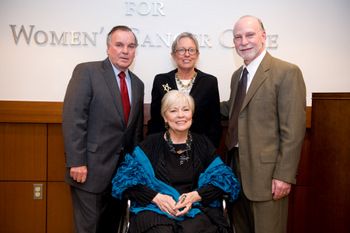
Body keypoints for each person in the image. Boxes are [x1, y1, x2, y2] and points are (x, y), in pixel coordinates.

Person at [221, 15, 306, 233]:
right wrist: (192, 101)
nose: (244, 42)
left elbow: (293, 131)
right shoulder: (236, 76)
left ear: (264, 36)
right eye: (238, 37)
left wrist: (284, 176)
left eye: (250, 35)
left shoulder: (286, 72)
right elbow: (235, 109)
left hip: (268, 177)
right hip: (236, 170)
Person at [112, 90, 240, 233]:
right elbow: (124, 181)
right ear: (165, 116)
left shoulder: (203, 144)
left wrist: (194, 196)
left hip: (196, 209)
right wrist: (157, 198)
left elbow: (225, 180)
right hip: (155, 210)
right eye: (173, 110)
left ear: (192, 114)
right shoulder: (150, 144)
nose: (180, 115)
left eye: (186, 110)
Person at [62, 25, 144, 233]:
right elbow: (74, 118)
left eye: (131, 46)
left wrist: (133, 171)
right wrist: (76, 161)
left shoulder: (138, 84)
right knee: (90, 229)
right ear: (108, 48)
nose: (125, 51)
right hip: (89, 171)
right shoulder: (87, 71)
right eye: (119, 45)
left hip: (121, 176)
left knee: (112, 227)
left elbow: (133, 133)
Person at [147, 32, 222, 147]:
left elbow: (214, 123)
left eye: (191, 50)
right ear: (173, 55)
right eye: (181, 50)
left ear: (197, 54)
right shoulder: (160, 80)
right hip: (166, 148)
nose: (187, 54)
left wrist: (207, 150)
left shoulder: (209, 82)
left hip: (200, 149)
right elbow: (155, 122)